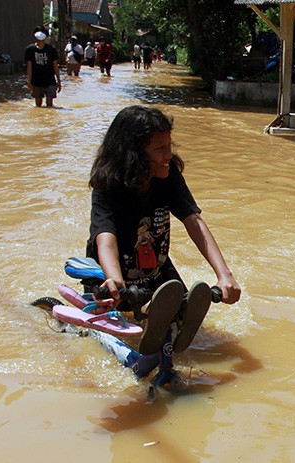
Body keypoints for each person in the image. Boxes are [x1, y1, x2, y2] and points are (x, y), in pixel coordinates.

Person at [87, 105, 241, 385]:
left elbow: (193, 221)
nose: (168, 155)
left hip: (156, 271)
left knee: (182, 311)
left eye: (169, 145)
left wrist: (224, 274)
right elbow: (105, 236)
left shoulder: (167, 175)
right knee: (111, 333)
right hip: (113, 277)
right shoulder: (107, 185)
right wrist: (114, 280)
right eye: (160, 149)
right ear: (134, 154)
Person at [25, 28, 61, 108]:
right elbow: (29, 66)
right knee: (38, 105)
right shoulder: (30, 50)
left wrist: (58, 81)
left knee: (49, 105)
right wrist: (29, 81)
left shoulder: (51, 50)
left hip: (50, 80)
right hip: (36, 80)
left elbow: (55, 66)